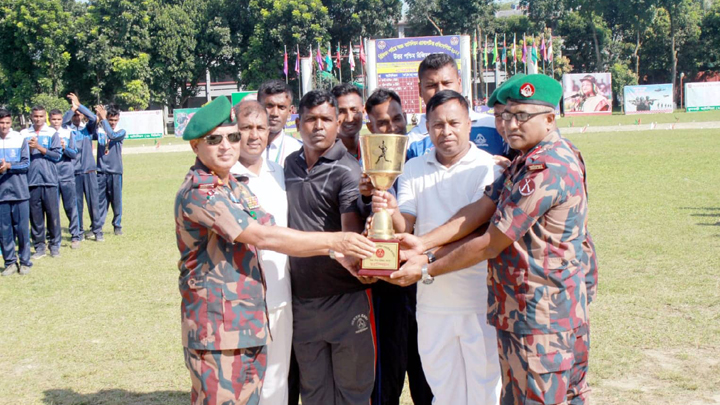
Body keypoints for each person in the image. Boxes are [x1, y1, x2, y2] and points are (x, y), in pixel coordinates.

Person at [393, 75, 592, 404]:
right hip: (524, 310)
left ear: (550, 118)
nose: (511, 125)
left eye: (523, 116)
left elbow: (490, 242)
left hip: (542, 316)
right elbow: (479, 210)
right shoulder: (523, 163)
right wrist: (423, 244)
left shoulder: (546, 168)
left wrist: (426, 268)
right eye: (506, 115)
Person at [175, 96, 375, 405]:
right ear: (196, 146)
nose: (227, 145)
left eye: (231, 136)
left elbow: (278, 228)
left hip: (250, 318)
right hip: (217, 327)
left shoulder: (233, 186)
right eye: (214, 139)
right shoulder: (202, 191)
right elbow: (262, 236)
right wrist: (337, 242)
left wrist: (342, 256)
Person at [370, 90, 503, 405]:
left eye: (454, 123)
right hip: (431, 303)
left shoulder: (488, 168)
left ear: (469, 124)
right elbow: (407, 224)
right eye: (438, 124)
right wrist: (389, 212)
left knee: (484, 394)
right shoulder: (415, 168)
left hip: (477, 302)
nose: (447, 131)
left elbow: (476, 228)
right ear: (426, 127)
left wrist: (424, 252)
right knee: (444, 394)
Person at [284, 90, 377, 405]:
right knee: (315, 395)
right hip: (302, 301)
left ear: (339, 122)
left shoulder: (348, 170)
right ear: (298, 124)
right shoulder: (288, 165)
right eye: (310, 119)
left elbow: (350, 233)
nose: (318, 126)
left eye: (326, 119)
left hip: (345, 299)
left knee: (352, 393)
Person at [363, 88, 434, 405]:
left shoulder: (426, 160)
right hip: (383, 286)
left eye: (397, 119)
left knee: (428, 375)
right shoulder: (361, 167)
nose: (391, 128)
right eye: (382, 123)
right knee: (385, 377)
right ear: (370, 128)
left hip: (425, 281)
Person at [229, 100, 293, 405]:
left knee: (277, 386)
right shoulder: (222, 179)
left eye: (260, 128)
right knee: (241, 389)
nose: (254, 135)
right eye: (246, 128)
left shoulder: (281, 174)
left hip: (280, 296)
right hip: (239, 303)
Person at [406, 53, 507, 160]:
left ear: (459, 84)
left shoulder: (494, 126)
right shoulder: (411, 141)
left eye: (447, 83)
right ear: (420, 90)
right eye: (431, 85)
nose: (440, 90)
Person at [20, 106, 62, 258]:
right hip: (31, 181)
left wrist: (39, 147)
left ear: (45, 117)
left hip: (49, 180)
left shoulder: (52, 133)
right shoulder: (24, 134)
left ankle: (55, 245)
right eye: (35, 116)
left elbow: (57, 155)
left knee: (52, 215)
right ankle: (39, 246)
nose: (38, 119)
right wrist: (31, 150)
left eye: (41, 116)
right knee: (36, 216)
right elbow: (21, 157)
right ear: (31, 117)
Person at [63, 93, 103, 241]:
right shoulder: (67, 131)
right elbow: (61, 122)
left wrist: (79, 106)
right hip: (74, 173)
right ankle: (78, 231)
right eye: (74, 115)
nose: (77, 117)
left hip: (89, 170)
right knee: (76, 204)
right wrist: (72, 110)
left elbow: (93, 118)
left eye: (79, 115)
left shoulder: (87, 129)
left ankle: (97, 231)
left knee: (94, 203)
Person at [0, 108, 32, 276]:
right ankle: (10, 263)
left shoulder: (20, 139)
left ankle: (25, 261)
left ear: (11, 122)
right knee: (4, 231)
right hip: (1, 195)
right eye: (1, 123)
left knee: (22, 230)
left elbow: (26, 164)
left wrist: (9, 166)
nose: (4, 126)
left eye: (7, 122)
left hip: (19, 192)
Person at [49, 109, 81, 249]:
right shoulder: (47, 134)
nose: (56, 122)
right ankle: (53, 237)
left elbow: (74, 153)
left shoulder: (68, 133)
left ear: (62, 120)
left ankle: (75, 235)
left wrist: (64, 148)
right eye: (53, 119)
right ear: (49, 119)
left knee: (70, 207)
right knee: (52, 209)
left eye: (58, 119)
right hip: (50, 175)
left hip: (67, 174)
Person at [95, 104, 126, 236]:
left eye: (115, 120)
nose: (113, 123)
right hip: (101, 171)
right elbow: (90, 130)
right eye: (110, 120)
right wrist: (98, 118)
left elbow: (112, 136)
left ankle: (117, 225)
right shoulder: (100, 131)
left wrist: (103, 120)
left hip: (115, 171)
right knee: (101, 201)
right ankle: (98, 226)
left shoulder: (121, 131)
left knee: (116, 200)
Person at [257, 80, 302, 167]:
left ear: (290, 111)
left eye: (281, 107)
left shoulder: (299, 150)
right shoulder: (242, 150)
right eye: (269, 106)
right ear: (257, 107)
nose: (275, 113)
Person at [331, 84, 364, 159]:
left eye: (354, 110)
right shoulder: (322, 155)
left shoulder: (373, 151)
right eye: (341, 111)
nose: (349, 119)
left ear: (363, 111)